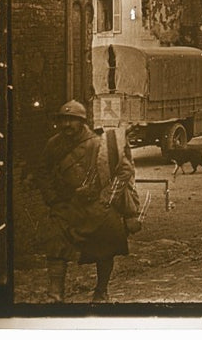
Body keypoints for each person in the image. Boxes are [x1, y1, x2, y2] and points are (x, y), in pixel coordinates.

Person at [38, 100, 134, 303]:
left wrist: (107, 197)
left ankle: (101, 291)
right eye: (63, 120)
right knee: (55, 243)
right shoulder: (53, 145)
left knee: (107, 243)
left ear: (82, 122)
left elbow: (125, 171)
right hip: (66, 205)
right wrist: (52, 199)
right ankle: (55, 293)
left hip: (97, 205)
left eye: (72, 121)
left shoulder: (100, 144)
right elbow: (43, 173)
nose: (66, 125)